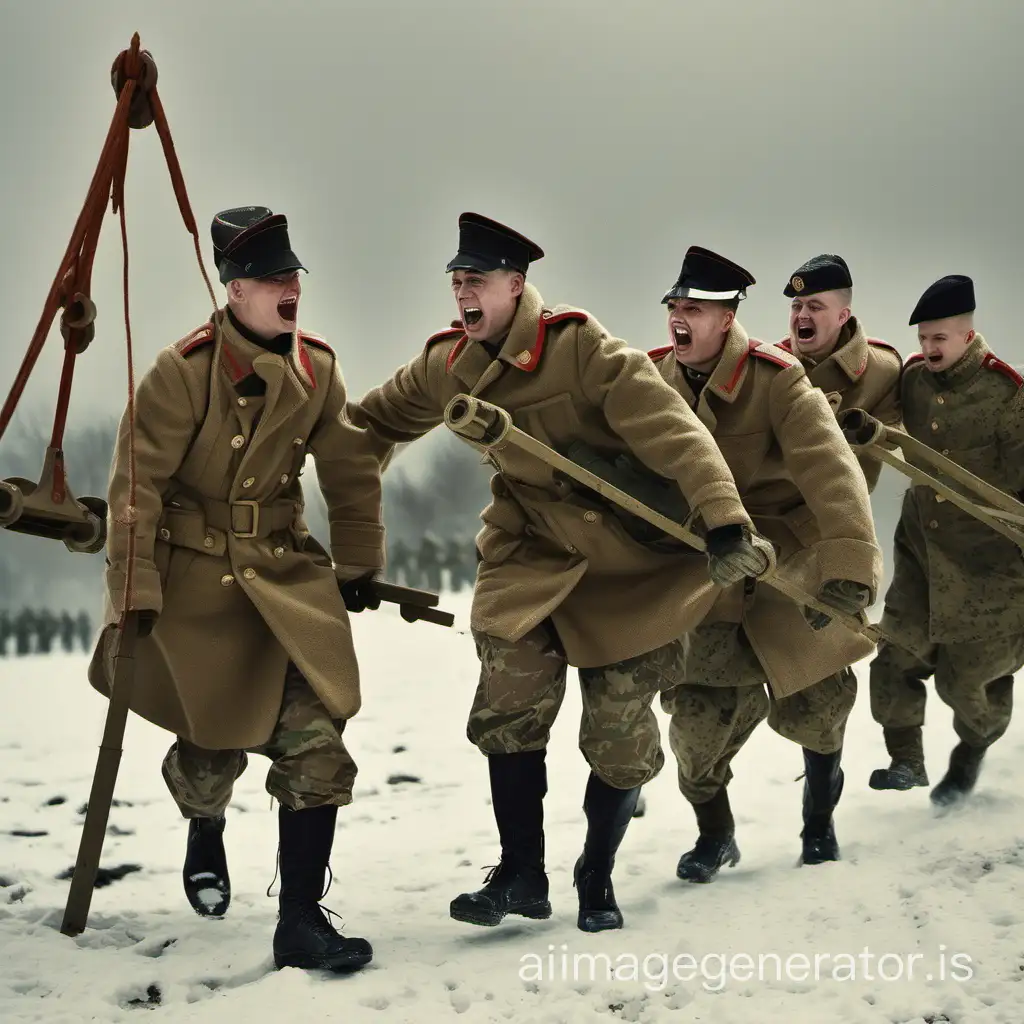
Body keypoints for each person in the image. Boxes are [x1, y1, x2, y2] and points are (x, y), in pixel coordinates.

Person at [351, 212, 775, 933]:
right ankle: (520, 874)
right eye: (456, 283)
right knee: (506, 705)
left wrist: (725, 519)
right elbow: (367, 427)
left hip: (631, 561)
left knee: (617, 733)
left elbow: (677, 434)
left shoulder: (584, 350)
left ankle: (596, 871)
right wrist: (289, 475)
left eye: (477, 281)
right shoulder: (448, 363)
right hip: (531, 552)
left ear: (516, 287)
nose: (463, 295)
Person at [88, 206, 384, 972]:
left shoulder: (316, 367)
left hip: (286, 581)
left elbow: (350, 470)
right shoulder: (182, 372)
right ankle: (205, 827)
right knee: (212, 747)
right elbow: (135, 486)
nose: (292, 289)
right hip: (200, 589)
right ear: (238, 288)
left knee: (318, 745)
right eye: (276, 278)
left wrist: (356, 562)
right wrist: (134, 585)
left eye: (296, 277)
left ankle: (300, 922)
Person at [635, 246, 882, 877]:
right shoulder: (649, 380)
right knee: (693, 731)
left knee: (822, 713)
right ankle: (715, 833)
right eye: (675, 307)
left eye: (694, 309)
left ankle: (818, 822)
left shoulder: (777, 378)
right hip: (708, 575)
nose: (679, 319)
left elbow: (832, 472)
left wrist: (849, 567)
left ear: (726, 318)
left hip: (790, 567)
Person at [868, 275, 1024, 805]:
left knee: (967, 681)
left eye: (940, 339)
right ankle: (905, 759)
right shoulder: (912, 379)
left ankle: (972, 749)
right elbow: (883, 417)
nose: (929, 350)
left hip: (992, 559)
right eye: (923, 339)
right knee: (896, 653)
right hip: (923, 546)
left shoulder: (1008, 393)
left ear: (967, 333)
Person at [779, 254, 903, 492]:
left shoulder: (882, 370)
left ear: (842, 317)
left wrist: (869, 431)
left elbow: (896, 434)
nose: (802, 315)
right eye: (797, 305)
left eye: (814, 307)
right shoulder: (770, 365)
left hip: (841, 506)